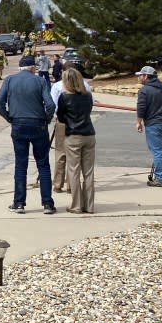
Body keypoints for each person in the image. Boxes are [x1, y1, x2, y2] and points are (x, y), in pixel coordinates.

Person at [0, 55, 56, 214]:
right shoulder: (40, 81)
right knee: (43, 164)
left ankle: (19, 202)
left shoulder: (9, 80)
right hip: (38, 124)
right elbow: (50, 104)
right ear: (33, 68)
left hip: (18, 123)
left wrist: (8, 116)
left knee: (20, 165)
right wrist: (47, 119)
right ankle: (47, 204)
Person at [55, 68, 96, 214]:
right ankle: (89, 206)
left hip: (73, 135)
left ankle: (77, 205)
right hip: (89, 134)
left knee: (74, 171)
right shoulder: (88, 96)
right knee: (89, 172)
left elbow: (60, 117)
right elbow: (89, 110)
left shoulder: (64, 97)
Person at [49, 63, 92, 193]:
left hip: (63, 122)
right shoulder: (85, 86)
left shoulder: (57, 86)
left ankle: (58, 183)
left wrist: (55, 117)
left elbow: (53, 105)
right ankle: (71, 184)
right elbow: (90, 105)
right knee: (75, 156)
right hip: (82, 122)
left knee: (61, 154)